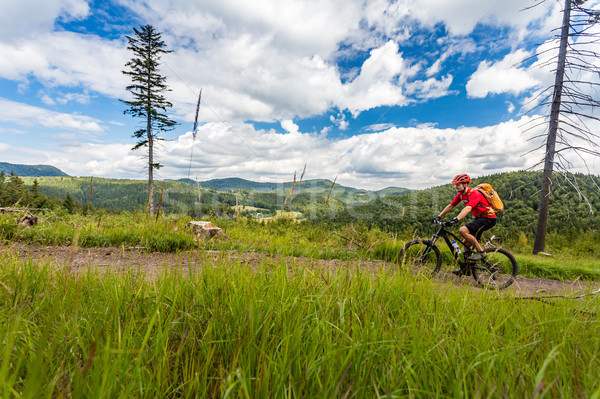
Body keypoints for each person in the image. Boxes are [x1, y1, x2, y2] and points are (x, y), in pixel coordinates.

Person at [434, 174, 497, 275]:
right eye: (455, 185)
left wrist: (456, 219)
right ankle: (466, 269)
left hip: (488, 218)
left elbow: (468, 208)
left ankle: (481, 252)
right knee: (466, 243)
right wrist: (439, 216)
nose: (456, 187)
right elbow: (451, 205)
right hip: (479, 218)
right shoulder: (461, 195)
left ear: (466, 184)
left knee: (462, 230)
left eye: (458, 185)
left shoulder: (474, 194)